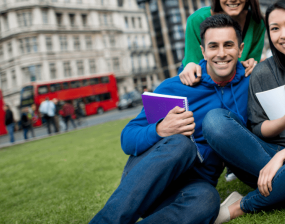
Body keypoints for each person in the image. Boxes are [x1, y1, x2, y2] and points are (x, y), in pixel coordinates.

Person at [90, 14, 251, 224]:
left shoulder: (251, 82)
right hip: (147, 180)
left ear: (240, 48)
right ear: (203, 51)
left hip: (190, 189)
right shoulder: (174, 87)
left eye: (228, 45)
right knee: (181, 144)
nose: (221, 54)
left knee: (207, 200)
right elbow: (127, 138)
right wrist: (159, 130)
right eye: (213, 46)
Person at [204, 0, 285, 223]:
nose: (283, 34)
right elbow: (257, 128)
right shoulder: (263, 72)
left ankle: (240, 206)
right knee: (214, 121)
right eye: (275, 29)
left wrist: (282, 157)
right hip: (262, 160)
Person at [179, 0, 265, 86]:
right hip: (202, 79)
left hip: (237, 78)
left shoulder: (257, 22)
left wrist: (252, 63)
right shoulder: (196, 20)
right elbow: (193, 64)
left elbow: (251, 63)